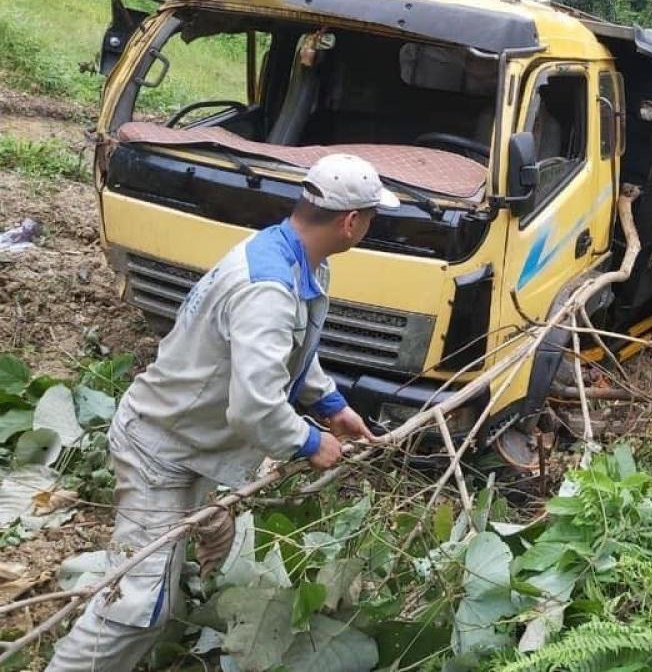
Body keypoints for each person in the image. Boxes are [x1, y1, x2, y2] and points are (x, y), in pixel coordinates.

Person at [47, 153, 398, 672]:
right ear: (351, 221)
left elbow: (290, 349)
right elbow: (253, 405)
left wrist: (329, 404)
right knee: (136, 607)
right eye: (370, 217)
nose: (369, 226)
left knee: (160, 586)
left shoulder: (288, 255)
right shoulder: (269, 288)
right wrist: (309, 441)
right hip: (160, 450)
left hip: (186, 440)